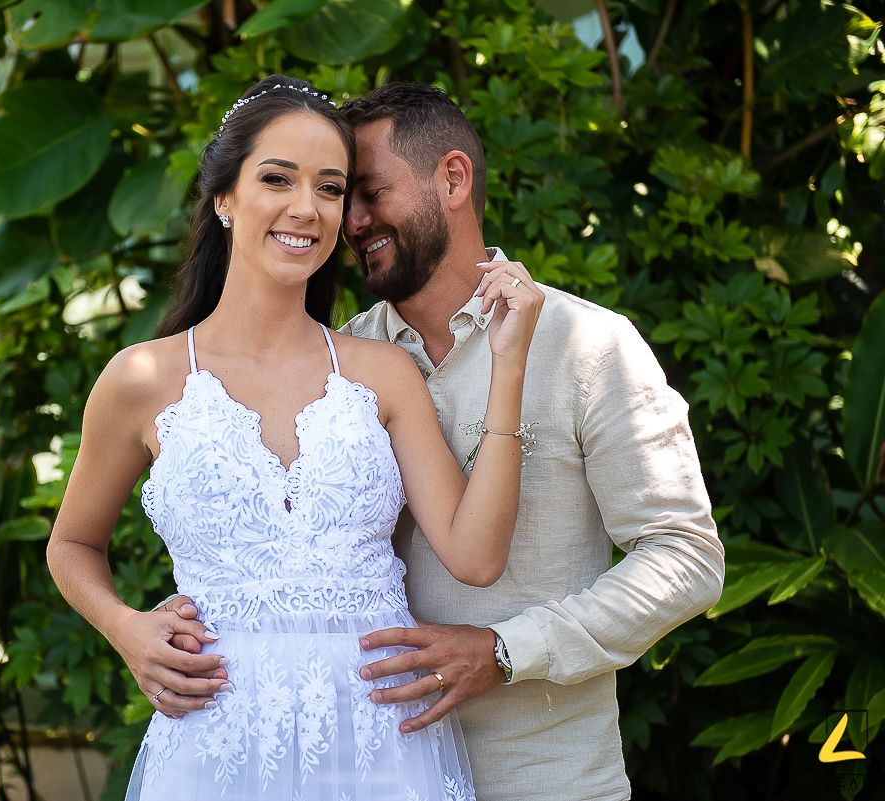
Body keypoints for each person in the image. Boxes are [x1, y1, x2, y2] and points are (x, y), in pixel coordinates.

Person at [156, 82, 726, 800]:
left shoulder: (588, 346)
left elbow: (687, 556)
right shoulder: (341, 362)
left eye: (365, 191)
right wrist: (160, 623)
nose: (350, 220)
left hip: (544, 775)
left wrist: (507, 650)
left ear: (452, 178)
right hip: (369, 771)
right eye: (343, 196)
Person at [46, 74, 544, 800]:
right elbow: (71, 544)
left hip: (381, 744)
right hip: (214, 745)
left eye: (331, 188)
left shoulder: (383, 373)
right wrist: (125, 629)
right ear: (223, 196)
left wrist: (510, 363)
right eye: (277, 178)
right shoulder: (141, 379)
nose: (306, 209)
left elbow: (476, 555)